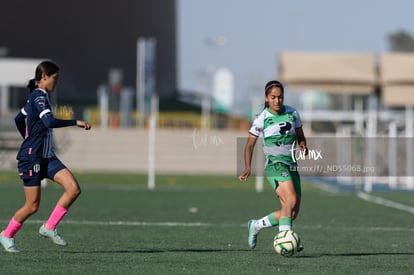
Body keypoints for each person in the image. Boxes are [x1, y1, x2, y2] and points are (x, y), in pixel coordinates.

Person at [0, 60, 91, 253]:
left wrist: (27, 135)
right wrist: (75, 121)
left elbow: (19, 118)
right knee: (32, 206)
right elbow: (48, 121)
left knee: (73, 189)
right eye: (54, 78)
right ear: (44, 77)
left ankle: (49, 227)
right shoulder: (38, 96)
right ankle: (6, 235)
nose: (55, 82)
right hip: (31, 158)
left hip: (47, 156)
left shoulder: (39, 97)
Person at [238, 80, 307, 250]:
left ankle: (256, 225)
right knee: (290, 200)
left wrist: (303, 145)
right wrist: (248, 167)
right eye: (273, 97)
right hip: (275, 165)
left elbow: (300, 136)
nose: (277, 101)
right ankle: (285, 240)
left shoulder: (293, 113)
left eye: (280, 97)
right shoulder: (262, 119)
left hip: (291, 165)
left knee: (291, 213)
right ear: (266, 98)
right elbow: (249, 145)